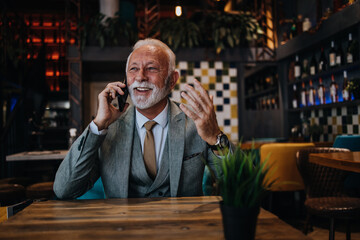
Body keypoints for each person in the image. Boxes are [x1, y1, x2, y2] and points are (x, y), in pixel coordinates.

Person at [53, 38, 231, 199]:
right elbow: (64, 189)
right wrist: (98, 125)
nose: (140, 77)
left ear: (172, 80)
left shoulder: (195, 123)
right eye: (133, 69)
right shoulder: (107, 129)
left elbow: (244, 183)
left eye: (151, 68)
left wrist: (214, 137)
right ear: (125, 80)